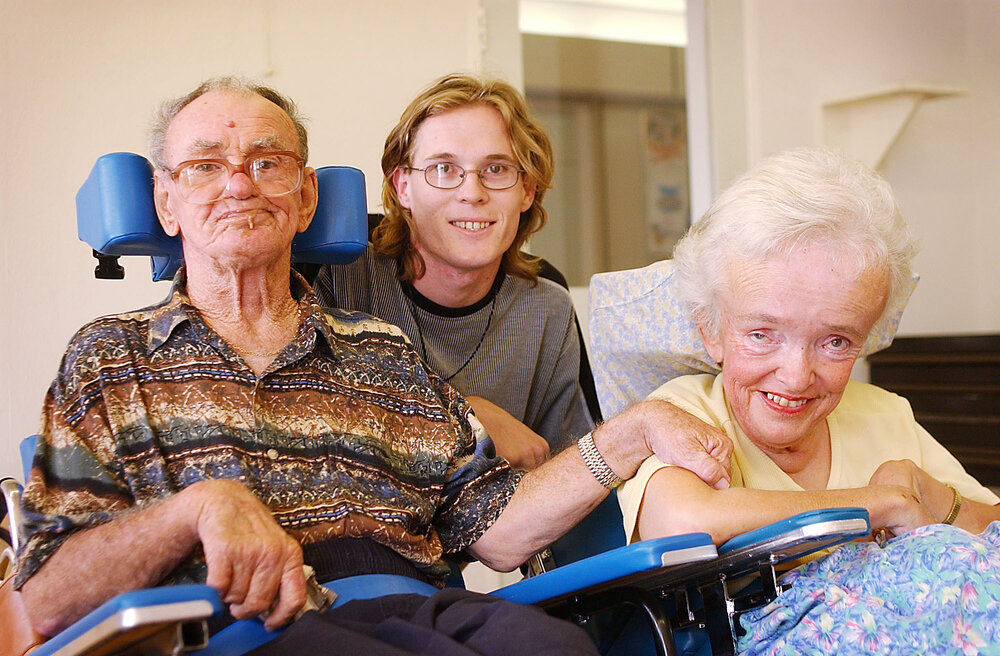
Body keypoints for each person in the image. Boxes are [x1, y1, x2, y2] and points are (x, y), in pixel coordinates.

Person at [13, 77, 733, 654]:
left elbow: (500, 528)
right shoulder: (112, 359)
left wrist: (635, 430)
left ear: (305, 199)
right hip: (251, 626)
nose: (239, 184)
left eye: (268, 163)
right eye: (205, 166)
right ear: (167, 202)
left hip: (422, 614)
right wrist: (199, 510)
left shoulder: (380, 348)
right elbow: (43, 596)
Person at [618, 147, 1000, 655]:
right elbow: (681, 522)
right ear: (710, 329)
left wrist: (931, 495)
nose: (796, 376)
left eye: (836, 342)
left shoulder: (884, 412)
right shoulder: (683, 414)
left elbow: (989, 527)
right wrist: (877, 504)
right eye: (761, 334)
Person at [313, 74, 592, 471]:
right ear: (403, 185)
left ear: (527, 191)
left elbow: (574, 472)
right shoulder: (340, 277)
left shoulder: (547, 309)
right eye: (444, 168)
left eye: (496, 169)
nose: (472, 192)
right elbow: (310, 426)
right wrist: (466, 412)